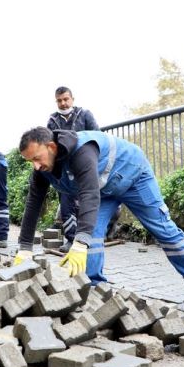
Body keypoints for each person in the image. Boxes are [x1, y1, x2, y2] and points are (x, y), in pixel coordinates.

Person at [14, 127, 184, 311]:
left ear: (51, 146)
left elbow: (89, 195)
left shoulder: (82, 151)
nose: (36, 166)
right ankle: (95, 289)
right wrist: (24, 247)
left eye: (37, 158)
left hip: (134, 176)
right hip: (104, 190)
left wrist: (79, 242)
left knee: (162, 228)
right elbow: (33, 205)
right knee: (90, 233)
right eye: (31, 161)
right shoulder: (41, 170)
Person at [47, 86, 120, 251]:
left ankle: (108, 227)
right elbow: (50, 146)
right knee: (66, 203)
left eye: (66, 99)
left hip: (86, 166)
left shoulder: (85, 115)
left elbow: (98, 137)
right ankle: (71, 239)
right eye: (59, 100)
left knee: (95, 199)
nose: (63, 103)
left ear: (72, 99)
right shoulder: (52, 121)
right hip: (66, 170)